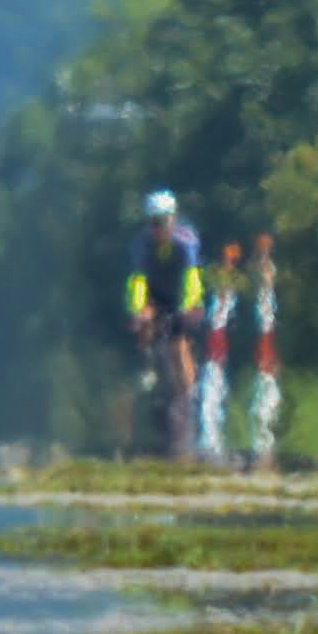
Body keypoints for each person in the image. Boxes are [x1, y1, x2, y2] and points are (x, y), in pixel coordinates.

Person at [124, 188, 206, 459]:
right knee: (143, 319)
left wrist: (191, 304)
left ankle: (188, 395)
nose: (159, 228)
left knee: (180, 347)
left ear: (174, 219)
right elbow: (138, 280)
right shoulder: (141, 244)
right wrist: (138, 311)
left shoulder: (186, 240)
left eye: (164, 222)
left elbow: (192, 276)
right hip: (154, 296)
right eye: (154, 223)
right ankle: (146, 362)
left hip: (178, 297)